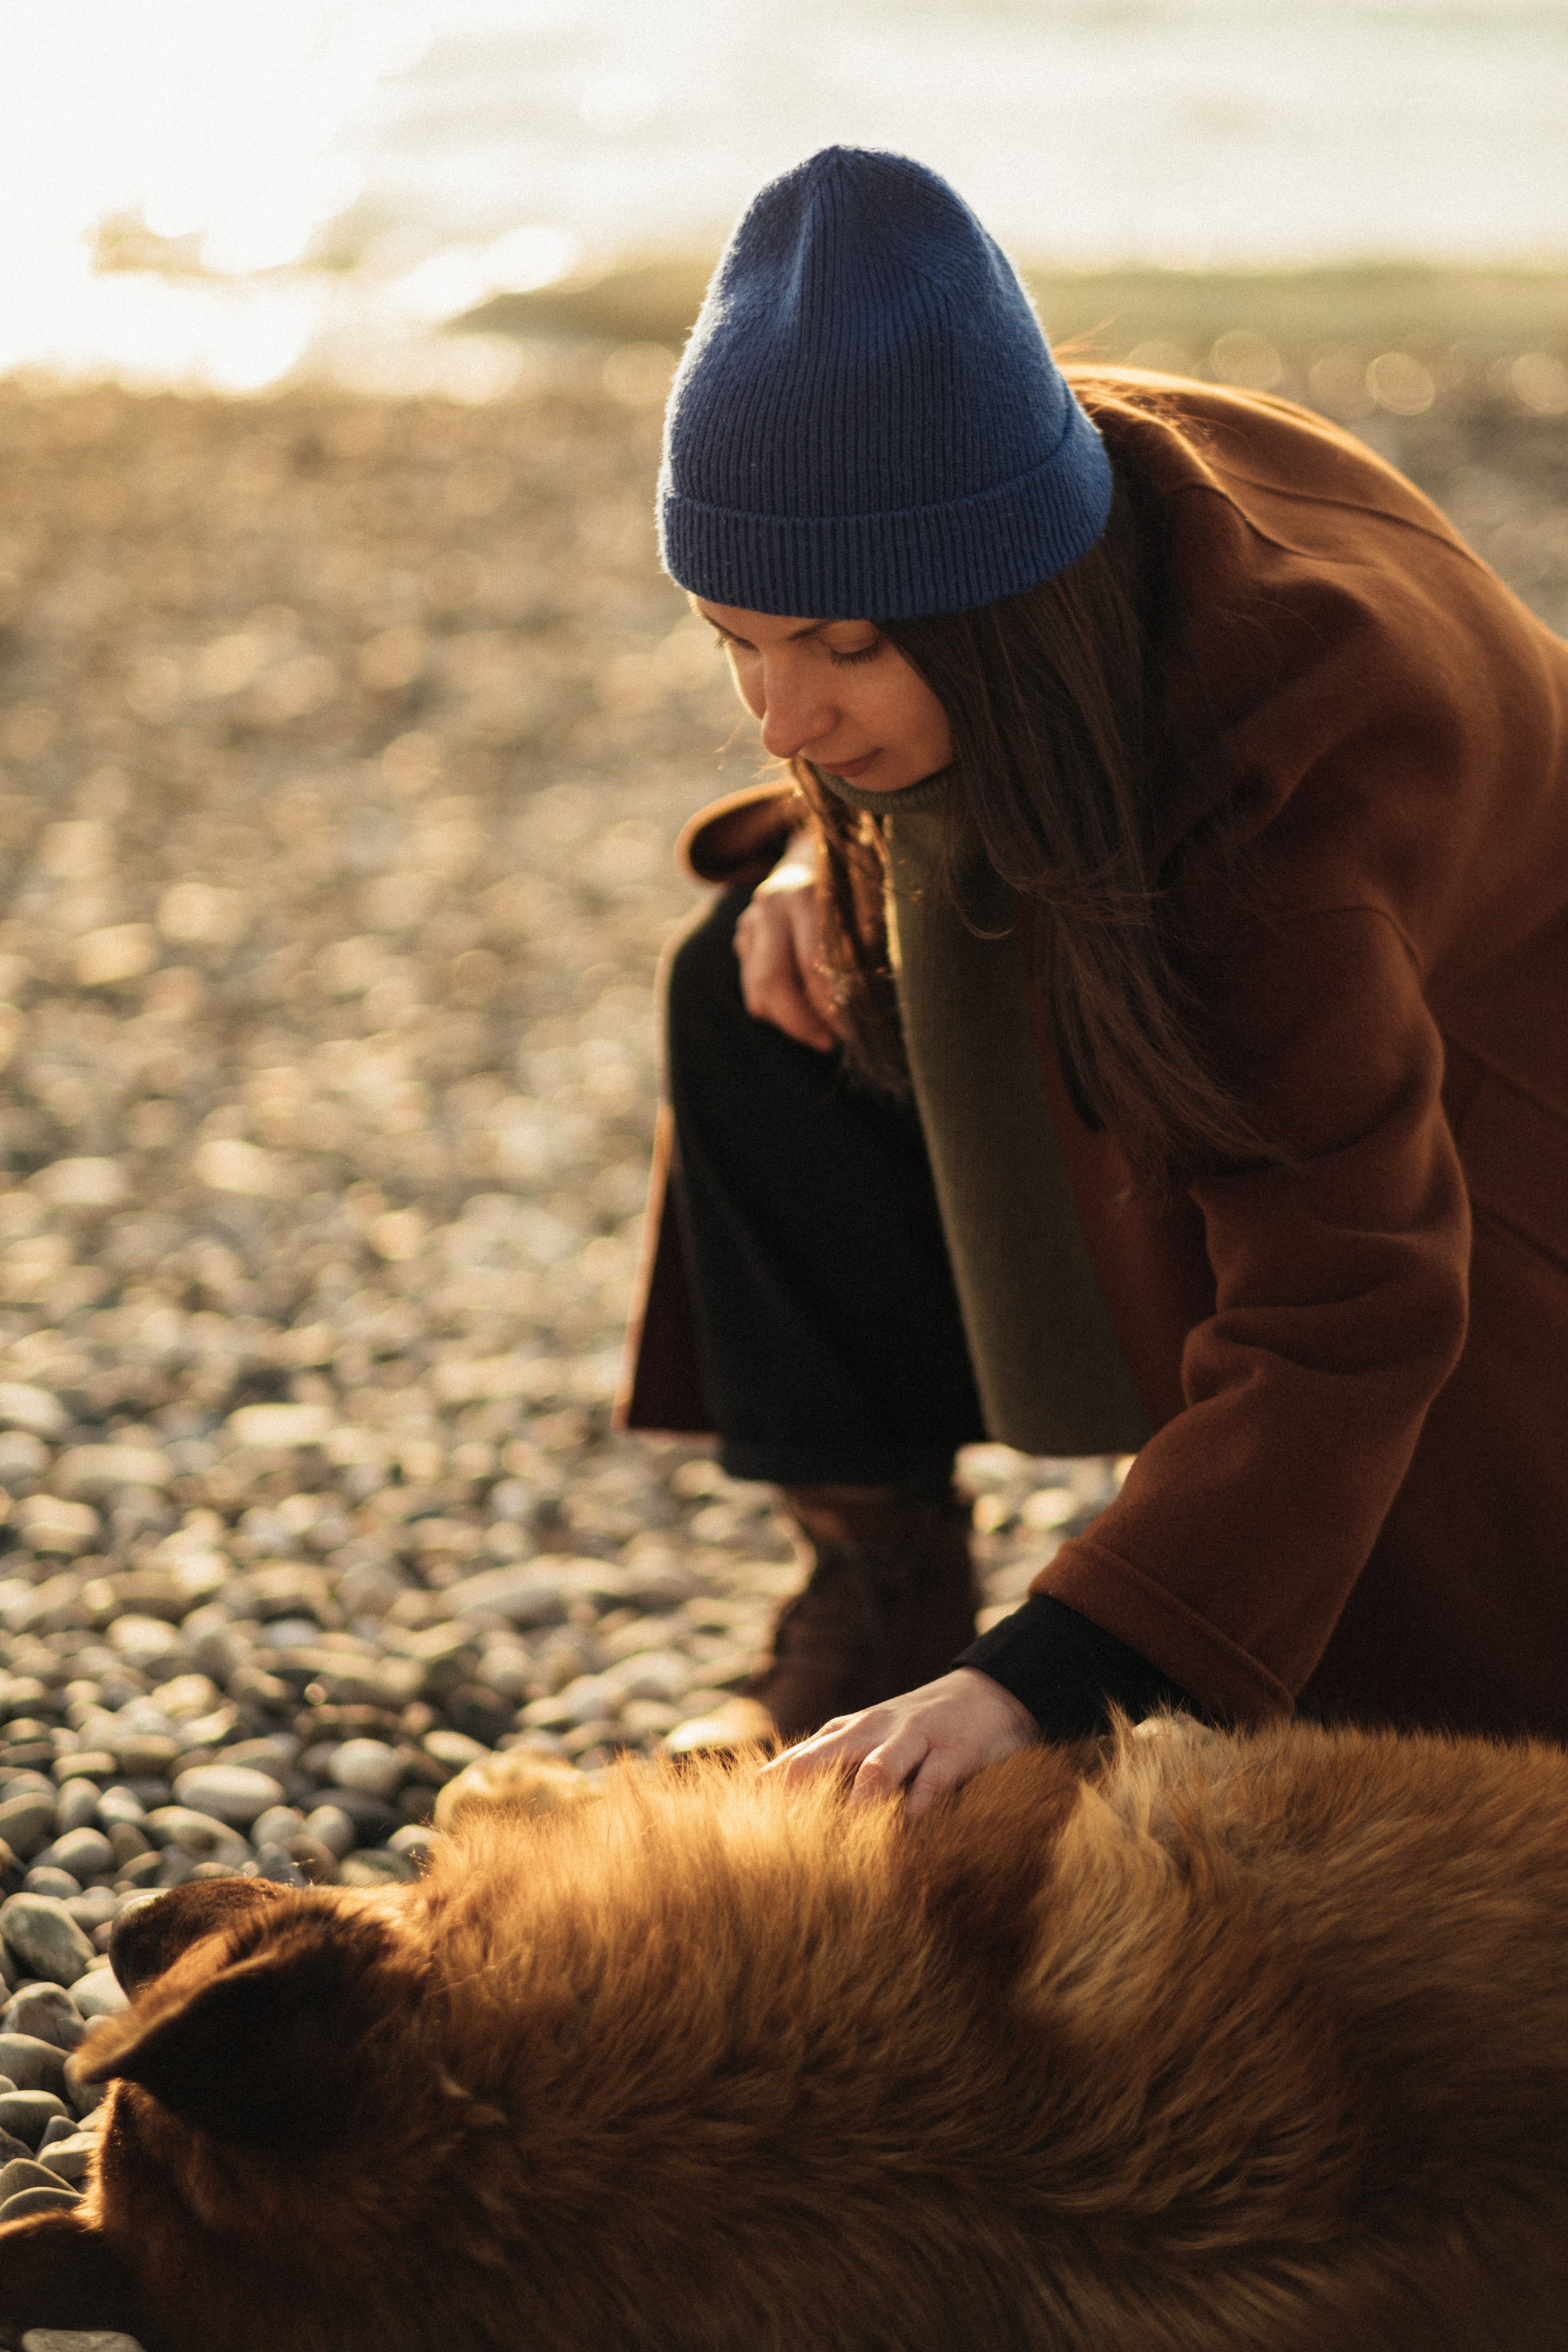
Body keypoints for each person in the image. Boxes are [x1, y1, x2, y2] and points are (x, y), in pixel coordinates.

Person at [617, 145, 1568, 1815]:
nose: (781, 713)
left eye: (843, 651)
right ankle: (878, 1575)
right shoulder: (1006, 460)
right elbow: (980, 723)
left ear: (998, 609)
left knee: (1402, 1783)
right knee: (761, 971)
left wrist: (1043, 1680)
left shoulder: (1287, 801)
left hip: (1511, 1140)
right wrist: (814, 844)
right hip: (1270, 979)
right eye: (736, 639)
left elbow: (1351, 1314)